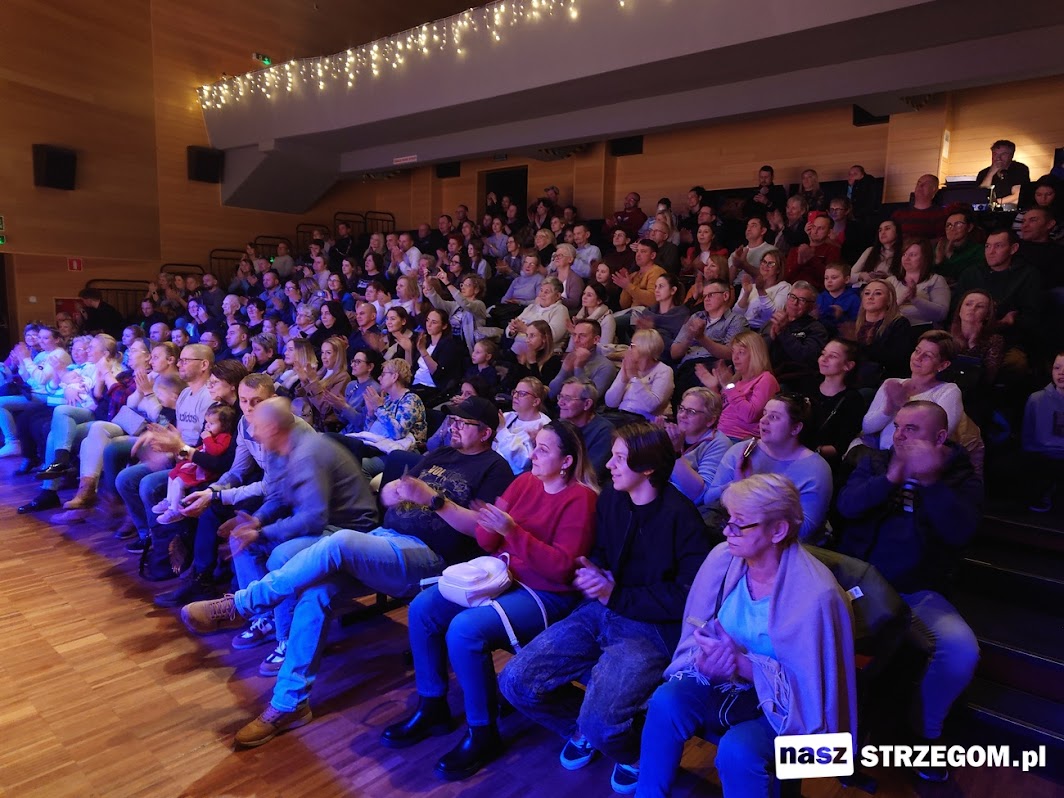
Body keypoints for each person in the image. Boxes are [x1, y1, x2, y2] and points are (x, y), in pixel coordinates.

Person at [180, 397, 514, 746]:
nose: (453, 427)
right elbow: (387, 498)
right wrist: (395, 492)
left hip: (431, 558)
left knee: (338, 543)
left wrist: (433, 499)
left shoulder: (495, 468)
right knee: (316, 592)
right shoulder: (440, 454)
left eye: (463, 423)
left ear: (485, 432)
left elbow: (483, 531)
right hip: (386, 539)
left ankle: (245, 604)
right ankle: (290, 704)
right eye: (453, 421)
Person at [380, 421, 599, 780]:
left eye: (543, 449)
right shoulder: (525, 482)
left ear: (566, 461)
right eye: (535, 446)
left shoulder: (582, 499)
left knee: (465, 630)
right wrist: (493, 526)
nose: (532, 454)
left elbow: (561, 571)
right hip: (502, 576)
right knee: (423, 608)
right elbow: (484, 540)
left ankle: (483, 732)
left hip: (546, 593)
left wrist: (511, 530)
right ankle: (432, 705)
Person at [499, 423, 709, 795]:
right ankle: (583, 728)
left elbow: (687, 596)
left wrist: (615, 594)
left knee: (602, 723)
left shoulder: (682, 517)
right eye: (612, 455)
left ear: (647, 468)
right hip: (601, 609)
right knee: (515, 681)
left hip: (651, 627)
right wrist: (594, 571)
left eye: (619, 458)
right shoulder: (612, 498)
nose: (608, 465)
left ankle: (634, 753)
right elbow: (600, 552)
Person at [638, 473, 858, 797]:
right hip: (727, 683)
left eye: (739, 524)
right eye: (727, 520)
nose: (727, 531)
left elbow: (812, 694)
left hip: (786, 707)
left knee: (738, 751)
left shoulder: (818, 595)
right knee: (666, 701)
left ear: (778, 530)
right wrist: (704, 661)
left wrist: (742, 665)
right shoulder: (723, 559)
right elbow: (698, 629)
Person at [836, 400, 981, 782]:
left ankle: (925, 736)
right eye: (897, 426)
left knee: (961, 650)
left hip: (917, 592)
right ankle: (829, 741)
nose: (899, 435)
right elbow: (846, 507)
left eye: (911, 429)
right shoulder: (877, 462)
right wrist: (889, 481)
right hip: (860, 584)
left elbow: (960, 533)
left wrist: (930, 483)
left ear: (939, 437)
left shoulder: (960, 477)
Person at [705, 395, 833, 542]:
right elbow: (709, 499)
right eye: (764, 413)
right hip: (736, 536)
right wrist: (736, 484)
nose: (763, 420)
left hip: (790, 547)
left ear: (796, 428)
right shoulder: (743, 450)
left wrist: (750, 492)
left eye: (774, 417)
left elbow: (804, 531)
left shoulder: (816, 469)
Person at [861, 331, 963, 450]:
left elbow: (939, 435)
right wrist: (889, 407)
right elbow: (867, 428)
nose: (918, 358)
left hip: (917, 457)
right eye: (917, 351)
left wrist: (902, 404)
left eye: (927, 355)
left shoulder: (948, 391)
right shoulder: (893, 383)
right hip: (881, 452)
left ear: (943, 365)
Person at [151, 404, 238, 524]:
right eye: (207, 422)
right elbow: (198, 449)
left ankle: (175, 510)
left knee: (178, 482)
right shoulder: (211, 434)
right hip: (196, 463)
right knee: (172, 474)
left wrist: (207, 438)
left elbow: (215, 451)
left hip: (206, 470)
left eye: (212, 423)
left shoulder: (224, 437)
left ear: (224, 425)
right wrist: (181, 453)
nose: (207, 426)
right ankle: (169, 500)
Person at [695, 330, 779, 442]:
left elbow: (750, 415)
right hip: (718, 435)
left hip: (740, 439)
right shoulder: (735, 381)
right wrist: (713, 388)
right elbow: (720, 412)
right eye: (733, 352)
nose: (735, 357)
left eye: (741, 352)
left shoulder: (765, 379)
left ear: (755, 354)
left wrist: (728, 386)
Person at [663, 387, 731, 517]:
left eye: (691, 412)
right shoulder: (673, 434)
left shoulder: (719, 444)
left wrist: (675, 453)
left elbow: (699, 495)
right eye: (681, 409)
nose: (682, 415)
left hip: (686, 511)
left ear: (710, 420)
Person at [805, 340, 866, 475]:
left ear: (848, 365)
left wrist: (809, 451)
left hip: (823, 464)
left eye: (832, 356)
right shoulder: (808, 385)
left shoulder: (853, 400)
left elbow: (841, 446)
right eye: (823, 354)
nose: (824, 359)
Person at [763, 281, 828, 395]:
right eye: (792, 297)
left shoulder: (816, 329)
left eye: (802, 300)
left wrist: (783, 332)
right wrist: (772, 338)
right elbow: (759, 351)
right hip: (766, 375)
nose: (795, 302)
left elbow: (806, 357)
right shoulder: (772, 322)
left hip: (794, 381)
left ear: (812, 306)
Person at [854, 279, 914, 388]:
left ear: (889, 300)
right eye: (867, 293)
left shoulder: (899, 324)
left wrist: (857, 346)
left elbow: (896, 360)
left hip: (885, 382)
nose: (870, 297)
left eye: (878, 293)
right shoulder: (855, 324)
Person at [604, 330, 674, 422]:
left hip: (645, 421)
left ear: (645, 348)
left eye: (632, 346)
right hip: (621, 415)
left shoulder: (664, 371)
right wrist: (623, 381)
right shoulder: (629, 365)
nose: (629, 350)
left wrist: (634, 378)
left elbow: (652, 406)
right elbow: (610, 402)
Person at [1023, 353, 1064, 511]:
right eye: (1057, 368)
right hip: (1043, 454)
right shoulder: (1036, 399)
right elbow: (1028, 434)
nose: (1061, 373)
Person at [556, 377, 615, 486]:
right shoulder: (559, 424)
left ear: (587, 404)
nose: (560, 403)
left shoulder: (604, 432)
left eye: (567, 398)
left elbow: (590, 475)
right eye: (560, 396)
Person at [887, 238, 950, 328]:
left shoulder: (936, 280)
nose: (906, 258)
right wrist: (901, 300)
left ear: (924, 258)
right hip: (894, 329)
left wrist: (915, 299)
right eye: (904, 254)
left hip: (925, 331)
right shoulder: (891, 281)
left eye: (912, 255)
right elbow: (881, 312)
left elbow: (941, 315)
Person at [493, 377, 552, 474]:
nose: (515, 396)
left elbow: (523, 461)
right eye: (515, 392)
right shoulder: (507, 416)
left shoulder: (544, 426)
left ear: (536, 401)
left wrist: (502, 431)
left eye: (522, 394)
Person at [550, 319, 618, 401]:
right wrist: (564, 370)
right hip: (560, 405)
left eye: (582, 336)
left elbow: (591, 399)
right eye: (574, 335)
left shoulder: (606, 366)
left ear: (596, 340)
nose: (576, 340)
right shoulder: (571, 358)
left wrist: (579, 368)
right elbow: (551, 394)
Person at [632, 274, 689, 356]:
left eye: (661, 286)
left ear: (673, 290)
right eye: (655, 287)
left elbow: (676, 346)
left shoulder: (681, 315)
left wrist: (652, 330)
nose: (656, 290)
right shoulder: (648, 312)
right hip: (641, 353)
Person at [734, 248, 790, 331]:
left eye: (770, 263)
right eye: (764, 261)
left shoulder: (783, 287)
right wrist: (746, 293)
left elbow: (774, 315)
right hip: (742, 327)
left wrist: (761, 291)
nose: (765, 265)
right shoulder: (751, 285)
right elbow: (736, 313)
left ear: (778, 269)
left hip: (763, 331)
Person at [783, 213, 839, 291]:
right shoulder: (796, 250)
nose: (815, 231)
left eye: (821, 228)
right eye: (814, 227)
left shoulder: (832, 250)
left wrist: (811, 259)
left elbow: (828, 278)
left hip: (815, 292)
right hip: (792, 290)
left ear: (829, 232)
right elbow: (786, 277)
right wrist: (799, 264)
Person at [934, 209, 984, 286]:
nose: (952, 228)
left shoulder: (978, 250)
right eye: (949, 225)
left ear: (969, 227)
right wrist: (937, 261)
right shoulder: (939, 247)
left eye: (958, 224)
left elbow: (968, 276)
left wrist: (950, 256)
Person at [892, 174, 948, 242]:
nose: (920, 186)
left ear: (934, 189)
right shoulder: (899, 214)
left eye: (926, 184)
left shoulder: (941, 215)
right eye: (918, 183)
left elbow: (942, 241)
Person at [977, 139, 1030, 206]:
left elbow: (1018, 196)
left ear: (1012, 155)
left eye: (1003, 154)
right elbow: (981, 195)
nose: (998, 158)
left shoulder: (1019, 169)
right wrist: (991, 173)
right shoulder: (983, 173)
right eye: (995, 154)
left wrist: (994, 203)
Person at [816, 262, 860, 339]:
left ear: (846, 279)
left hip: (841, 337)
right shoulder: (820, 297)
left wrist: (841, 316)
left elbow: (856, 322)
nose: (829, 281)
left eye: (834, 278)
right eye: (826, 278)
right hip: (820, 334)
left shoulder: (854, 299)